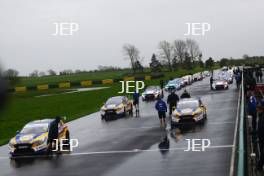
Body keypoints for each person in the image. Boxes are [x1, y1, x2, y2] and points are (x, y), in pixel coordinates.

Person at [257, 99, 264, 170]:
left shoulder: (262, 118)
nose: (258, 109)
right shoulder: (261, 116)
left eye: (260, 108)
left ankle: (259, 166)